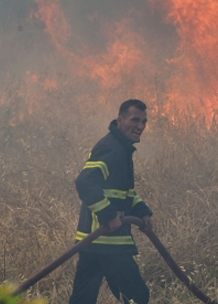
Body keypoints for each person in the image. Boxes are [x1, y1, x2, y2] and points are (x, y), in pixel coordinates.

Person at [69, 99, 154, 304]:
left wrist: (142, 211)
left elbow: (123, 193)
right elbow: (85, 182)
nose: (140, 127)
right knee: (137, 298)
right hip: (108, 242)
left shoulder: (121, 149)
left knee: (82, 301)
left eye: (144, 121)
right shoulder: (112, 149)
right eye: (135, 120)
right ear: (120, 120)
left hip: (94, 243)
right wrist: (108, 215)